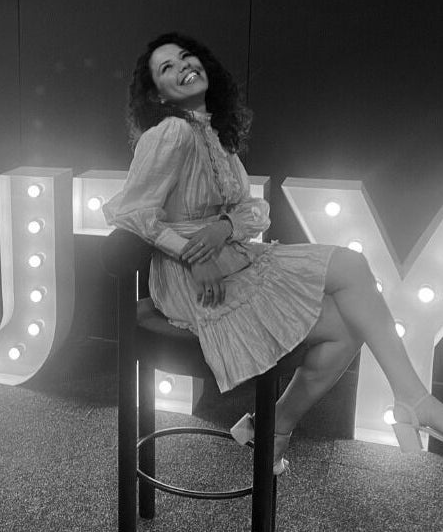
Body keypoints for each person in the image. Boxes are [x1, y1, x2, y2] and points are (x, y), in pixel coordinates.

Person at [102, 31, 443, 473]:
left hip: (233, 256)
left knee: (350, 314)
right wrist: (193, 253)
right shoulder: (169, 133)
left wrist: (224, 226)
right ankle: (405, 403)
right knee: (351, 302)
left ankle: (280, 426)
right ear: (157, 94)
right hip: (188, 276)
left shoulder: (216, 136)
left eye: (187, 57)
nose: (183, 66)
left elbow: (251, 210)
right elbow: (132, 213)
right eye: (166, 68)